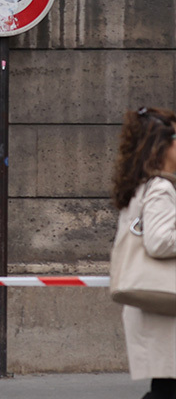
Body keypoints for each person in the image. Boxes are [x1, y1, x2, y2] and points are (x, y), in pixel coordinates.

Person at [111, 107, 176, 399]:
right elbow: (160, 242)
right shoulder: (161, 188)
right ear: (163, 146)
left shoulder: (138, 187)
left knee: (165, 387)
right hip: (166, 303)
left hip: (154, 302)